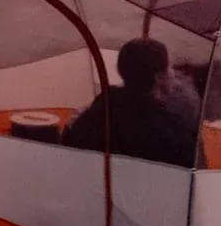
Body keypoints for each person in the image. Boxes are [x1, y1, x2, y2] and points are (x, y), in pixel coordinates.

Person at [61, 36, 201, 167]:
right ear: (158, 77)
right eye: (169, 67)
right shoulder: (174, 130)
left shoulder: (99, 111)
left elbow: (69, 148)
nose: (173, 73)